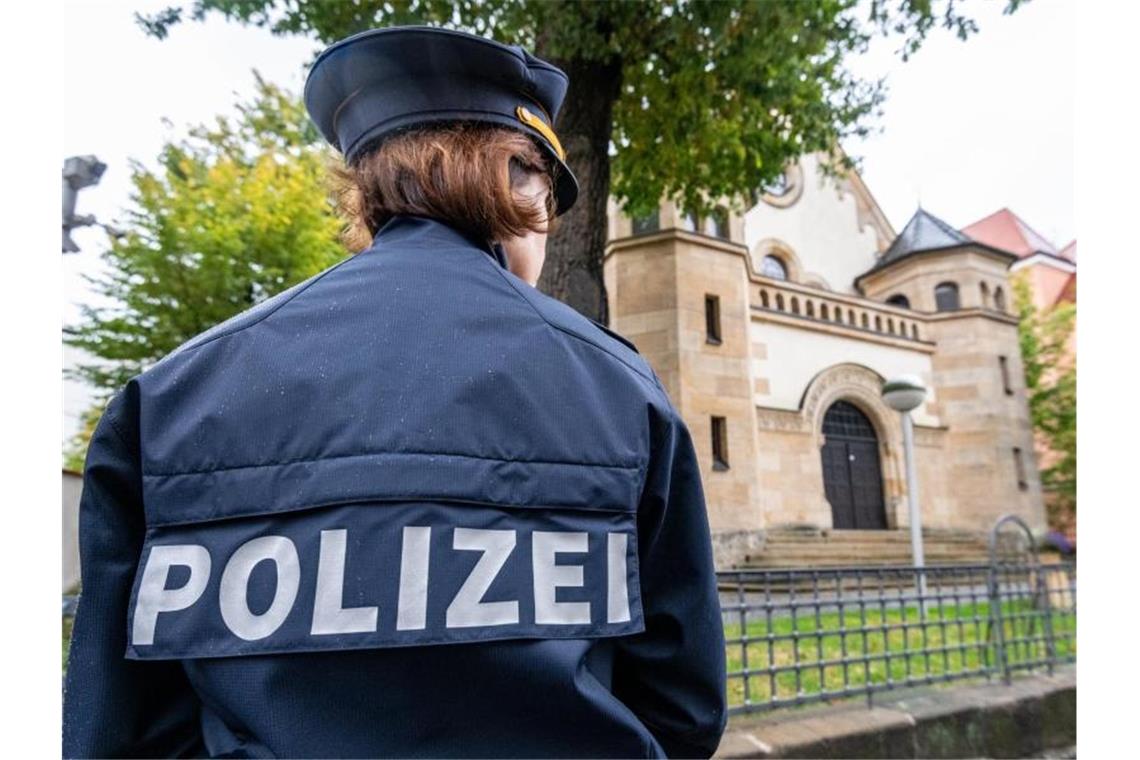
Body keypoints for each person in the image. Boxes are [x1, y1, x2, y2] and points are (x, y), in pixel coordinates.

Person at [62, 26, 727, 759]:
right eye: (547, 198)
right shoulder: (617, 385)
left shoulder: (171, 395)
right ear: (516, 181)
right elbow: (681, 707)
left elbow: (119, 719)